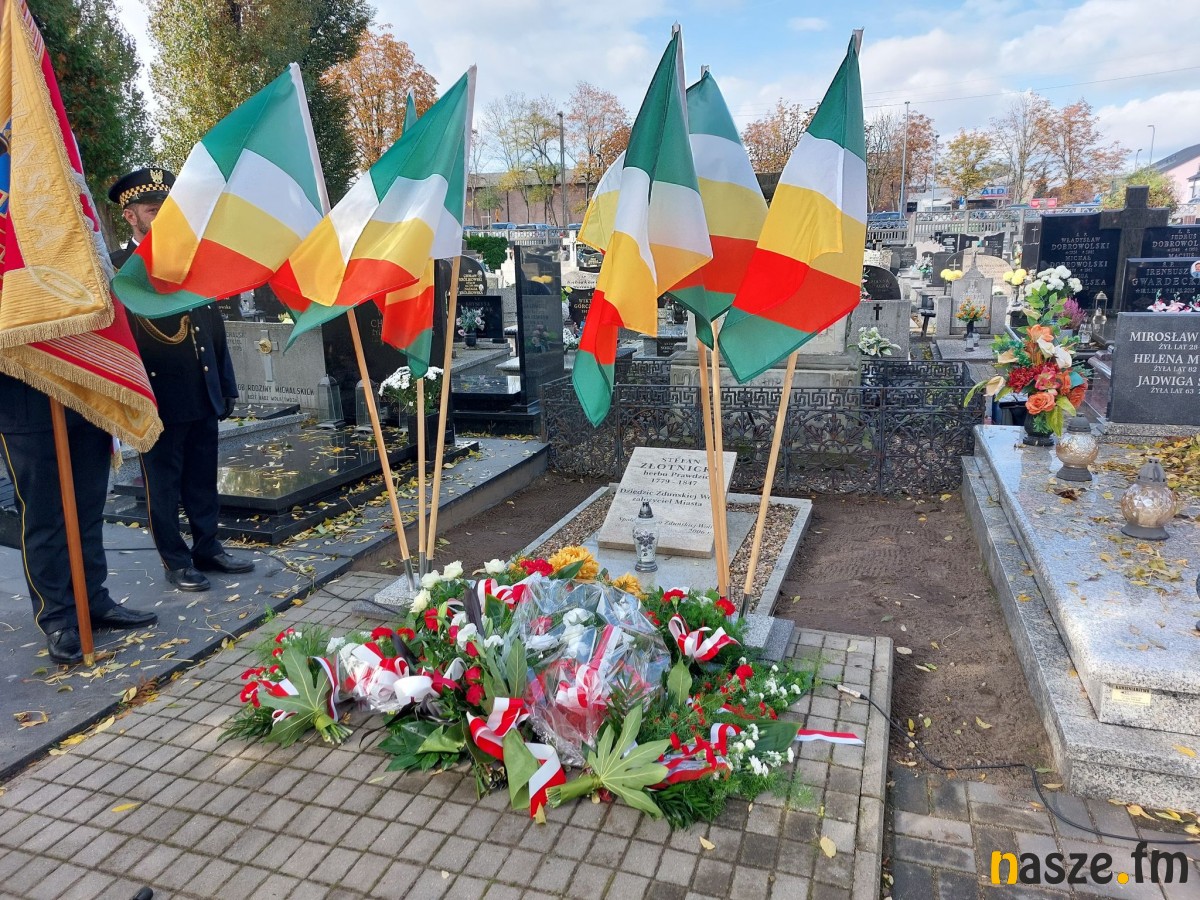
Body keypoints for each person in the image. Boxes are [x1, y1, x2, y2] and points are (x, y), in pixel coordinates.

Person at [108, 167, 254, 592]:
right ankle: (175, 560)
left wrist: (225, 383)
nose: (165, 216)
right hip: (156, 396)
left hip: (201, 389)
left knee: (202, 478)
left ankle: (208, 547)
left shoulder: (189, 261)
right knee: (164, 485)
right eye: (154, 210)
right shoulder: (117, 269)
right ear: (131, 216)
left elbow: (212, 326)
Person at [0, 375, 159, 663]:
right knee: (43, 518)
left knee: (88, 513)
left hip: (86, 399)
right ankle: (57, 617)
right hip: (24, 406)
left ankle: (93, 600)